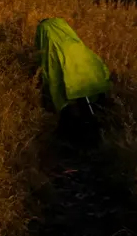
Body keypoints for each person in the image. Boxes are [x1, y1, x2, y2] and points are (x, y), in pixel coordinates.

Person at [35, 17, 112, 148]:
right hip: (91, 85)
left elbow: (48, 71)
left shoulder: (51, 47)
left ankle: (73, 141)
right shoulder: (75, 43)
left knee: (71, 109)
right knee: (87, 108)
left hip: (72, 92)